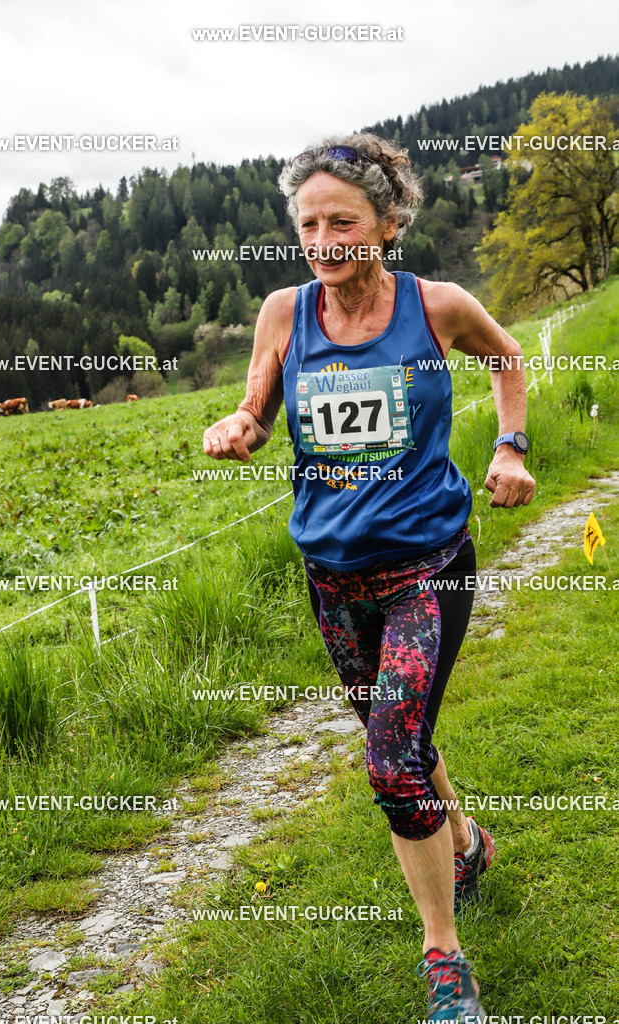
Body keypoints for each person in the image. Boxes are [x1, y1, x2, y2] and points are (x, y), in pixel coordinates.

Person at [203, 132, 536, 1022]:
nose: (322, 240)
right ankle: (465, 843)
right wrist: (238, 428)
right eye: (308, 224)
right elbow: (257, 409)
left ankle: (445, 960)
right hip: (332, 574)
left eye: (342, 222)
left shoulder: (438, 306)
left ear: (388, 223)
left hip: (427, 565)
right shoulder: (284, 313)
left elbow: (507, 357)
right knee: (406, 742)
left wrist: (510, 446)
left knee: (390, 757)